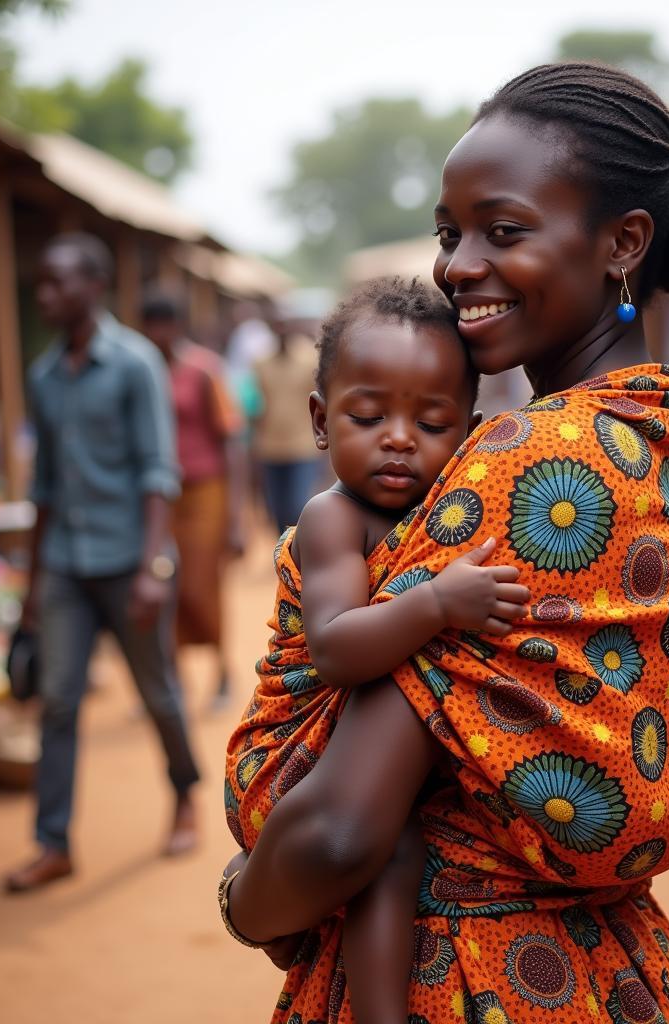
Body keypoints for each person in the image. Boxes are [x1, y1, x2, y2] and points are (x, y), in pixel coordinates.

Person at [221, 63, 669, 1024]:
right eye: (451, 234)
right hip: (627, 988)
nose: (457, 264)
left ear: (623, 243)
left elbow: (345, 833)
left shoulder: (521, 468)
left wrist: (243, 900)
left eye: (503, 230)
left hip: (461, 983)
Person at [225, 276, 530, 1023]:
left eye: (432, 423)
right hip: (294, 759)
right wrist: (435, 603)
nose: (399, 438)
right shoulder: (333, 518)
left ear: (469, 431)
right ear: (322, 421)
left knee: (400, 847)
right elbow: (333, 649)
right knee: (385, 847)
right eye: (369, 416)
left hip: (353, 763)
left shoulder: (447, 508)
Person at [6, 234, 201, 893]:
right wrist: (31, 585)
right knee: (58, 701)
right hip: (65, 561)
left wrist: (153, 569)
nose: (45, 295)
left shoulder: (135, 364)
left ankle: (184, 797)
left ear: (92, 285)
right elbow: (43, 486)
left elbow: (158, 471)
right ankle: (52, 841)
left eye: (57, 283)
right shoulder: (42, 376)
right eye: (42, 283)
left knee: (157, 692)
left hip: (129, 561)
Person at [141, 291, 247, 709]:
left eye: (164, 324)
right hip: (161, 498)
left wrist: (236, 517)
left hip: (205, 492)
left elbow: (232, 441)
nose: (158, 334)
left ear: (178, 326)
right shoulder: (145, 372)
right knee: (165, 586)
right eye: (151, 326)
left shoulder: (204, 370)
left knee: (202, 585)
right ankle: (174, 678)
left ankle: (222, 671)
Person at [252, 301, 325, 532]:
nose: (282, 329)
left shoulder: (309, 359)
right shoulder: (260, 363)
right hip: (269, 446)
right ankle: (282, 554)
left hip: (301, 445)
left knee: (296, 504)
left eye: (285, 324)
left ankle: (299, 555)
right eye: (277, 325)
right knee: (274, 508)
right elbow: (255, 405)